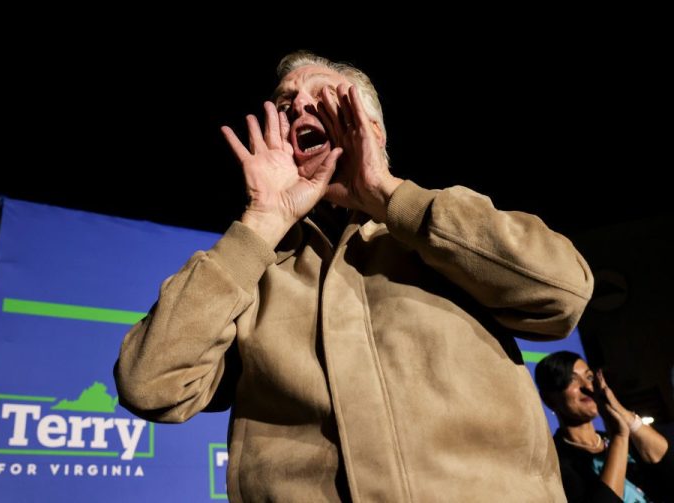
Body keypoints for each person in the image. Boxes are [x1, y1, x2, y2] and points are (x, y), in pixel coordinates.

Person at [115, 50, 594, 501]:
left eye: (323, 96)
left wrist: (386, 193)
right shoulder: (253, 273)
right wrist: (261, 221)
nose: (298, 106)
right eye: (285, 105)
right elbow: (149, 385)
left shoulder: (442, 232)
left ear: (374, 130)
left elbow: (563, 293)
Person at [535, 351, 672, 502]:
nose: (587, 386)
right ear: (548, 399)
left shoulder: (620, 437)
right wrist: (619, 437)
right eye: (571, 379)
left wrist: (623, 414)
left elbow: (668, 465)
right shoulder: (555, 462)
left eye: (589, 377)